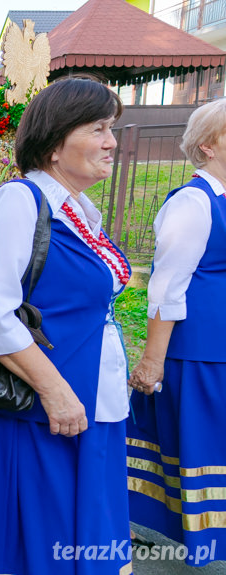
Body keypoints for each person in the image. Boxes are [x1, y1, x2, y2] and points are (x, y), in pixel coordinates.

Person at [0, 78, 131, 574]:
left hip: (83, 404)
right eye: (98, 128)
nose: (112, 141)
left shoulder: (78, 211)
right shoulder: (23, 201)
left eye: (112, 129)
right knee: (31, 541)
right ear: (56, 143)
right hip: (35, 412)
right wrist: (55, 390)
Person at [125, 99, 226, 567]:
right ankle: (177, 534)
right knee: (193, 442)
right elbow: (166, 287)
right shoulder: (193, 202)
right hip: (197, 351)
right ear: (207, 145)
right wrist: (152, 359)